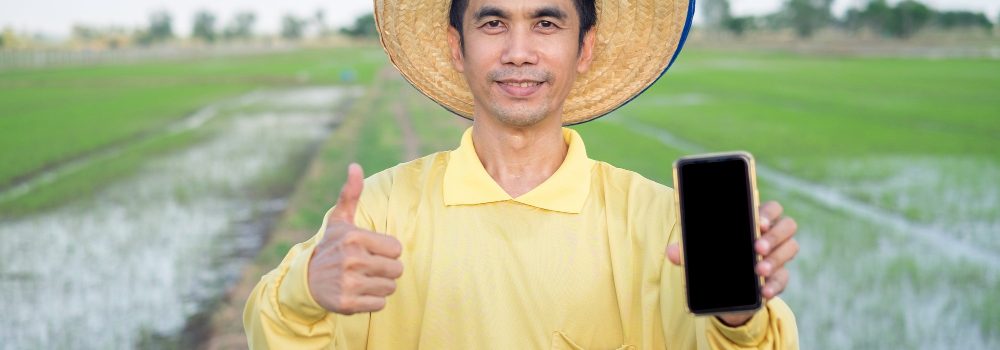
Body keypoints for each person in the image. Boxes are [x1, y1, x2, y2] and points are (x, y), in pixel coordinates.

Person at [244, 0, 801, 348]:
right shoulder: (380, 212)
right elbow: (275, 333)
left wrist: (737, 319)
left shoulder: (661, 224)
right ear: (456, 46)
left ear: (583, 48)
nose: (518, 51)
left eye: (545, 22)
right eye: (492, 22)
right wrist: (306, 291)